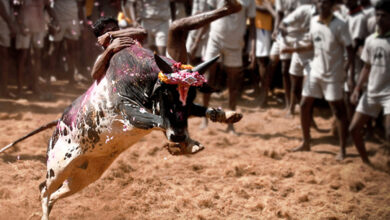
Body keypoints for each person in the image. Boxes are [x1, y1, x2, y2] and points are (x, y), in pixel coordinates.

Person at [285, 0, 354, 161]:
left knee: (338, 110)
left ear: (331, 5)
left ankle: (342, 150)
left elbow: (350, 50)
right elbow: (311, 44)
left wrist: (347, 72)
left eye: (325, 3)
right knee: (304, 104)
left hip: (333, 74)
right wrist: (294, 50)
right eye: (319, 3)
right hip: (316, 71)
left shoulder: (340, 25)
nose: (321, 6)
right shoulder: (314, 22)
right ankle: (306, 142)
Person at [201, 0, 256, 134]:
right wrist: (199, 38)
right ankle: (205, 117)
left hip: (235, 45)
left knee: (233, 85)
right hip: (215, 40)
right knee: (208, 79)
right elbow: (208, 15)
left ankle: (230, 123)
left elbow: (252, 26)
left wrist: (253, 48)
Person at [349, 0, 390, 164]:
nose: (380, 19)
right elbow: (367, 66)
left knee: (389, 133)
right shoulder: (370, 40)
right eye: (378, 15)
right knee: (354, 129)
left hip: (388, 94)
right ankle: (366, 163)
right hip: (372, 91)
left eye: (384, 16)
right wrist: (357, 88)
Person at [13, 0, 59, 96]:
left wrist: (56, 20)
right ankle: (20, 88)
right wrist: (20, 24)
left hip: (39, 27)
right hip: (25, 27)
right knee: (23, 56)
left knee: (37, 56)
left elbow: (48, 7)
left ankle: (35, 86)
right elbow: (15, 9)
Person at [279, 2, 315, 116]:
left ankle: (308, 116)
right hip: (298, 51)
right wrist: (283, 27)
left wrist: (291, 50)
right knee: (295, 83)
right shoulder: (304, 9)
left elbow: (313, 45)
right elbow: (284, 22)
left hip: (311, 55)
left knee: (308, 89)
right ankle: (292, 109)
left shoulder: (323, 17)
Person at [343, 0, 369, 121]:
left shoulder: (360, 17)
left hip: (355, 61)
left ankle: (361, 126)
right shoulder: (348, 14)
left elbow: (355, 44)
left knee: (354, 92)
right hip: (347, 59)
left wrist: (348, 67)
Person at [49, 0, 86, 84]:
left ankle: (71, 77)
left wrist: (83, 20)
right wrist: (51, 20)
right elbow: (48, 4)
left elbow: (80, 4)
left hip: (72, 19)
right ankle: (51, 75)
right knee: (55, 48)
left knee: (72, 50)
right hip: (58, 19)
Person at [254, 0, 276, 106]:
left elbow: (271, 8)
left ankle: (264, 94)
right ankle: (260, 91)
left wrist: (250, 6)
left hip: (263, 26)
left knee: (262, 62)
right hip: (253, 26)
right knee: (255, 63)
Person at [0, 0, 17, 98]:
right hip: (3, 26)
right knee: (4, 58)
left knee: (4, 58)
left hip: (4, 26)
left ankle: (4, 89)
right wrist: (10, 25)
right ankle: (4, 89)